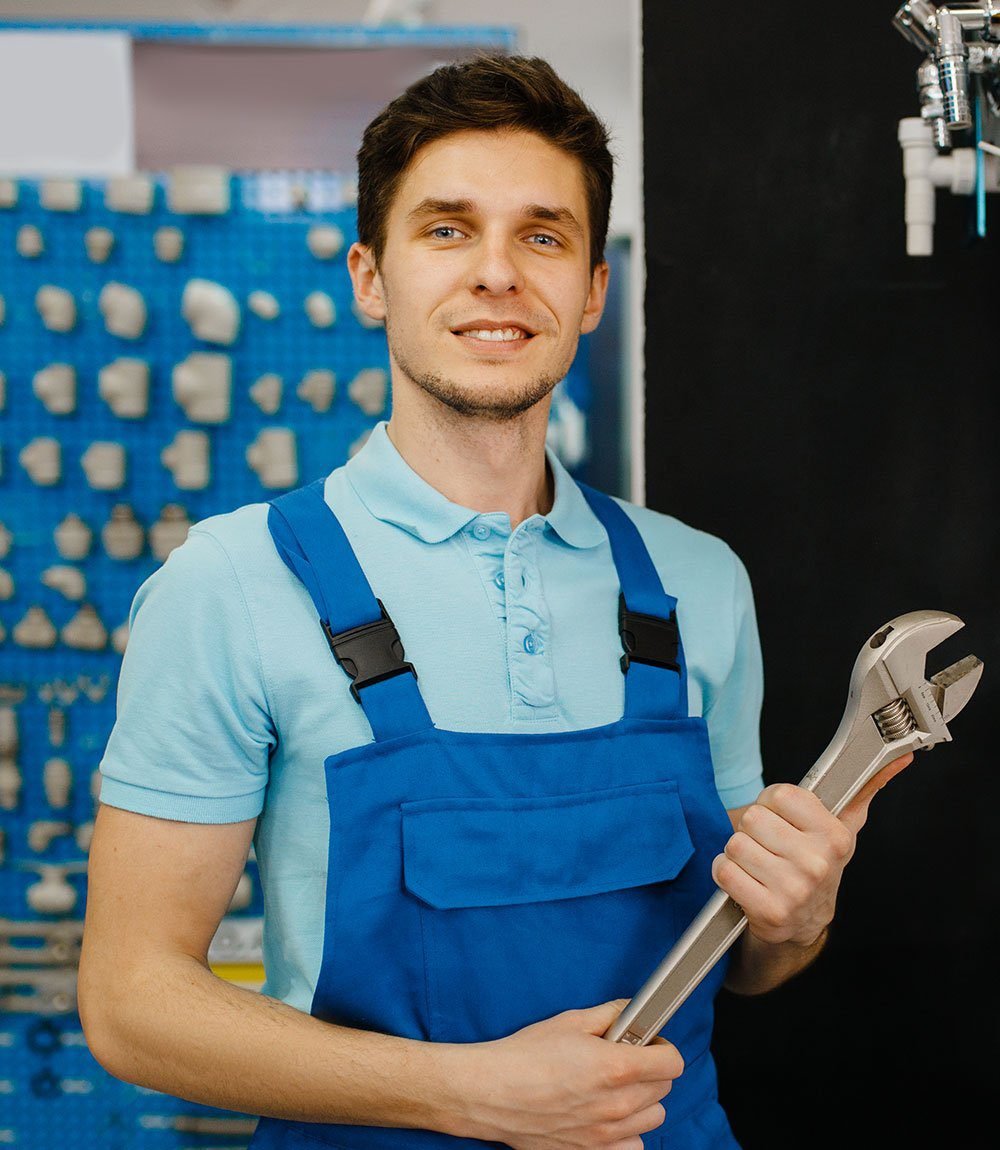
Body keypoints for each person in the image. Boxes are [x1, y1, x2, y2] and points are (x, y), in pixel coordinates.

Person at [79, 54, 911, 1150]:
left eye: (543, 236)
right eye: (447, 229)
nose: (497, 274)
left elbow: (746, 962)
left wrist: (797, 921)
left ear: (592, 290)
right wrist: (473, 1094)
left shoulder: (698, 581)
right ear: (370, 277)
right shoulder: (231, 584)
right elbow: (131, 1003)